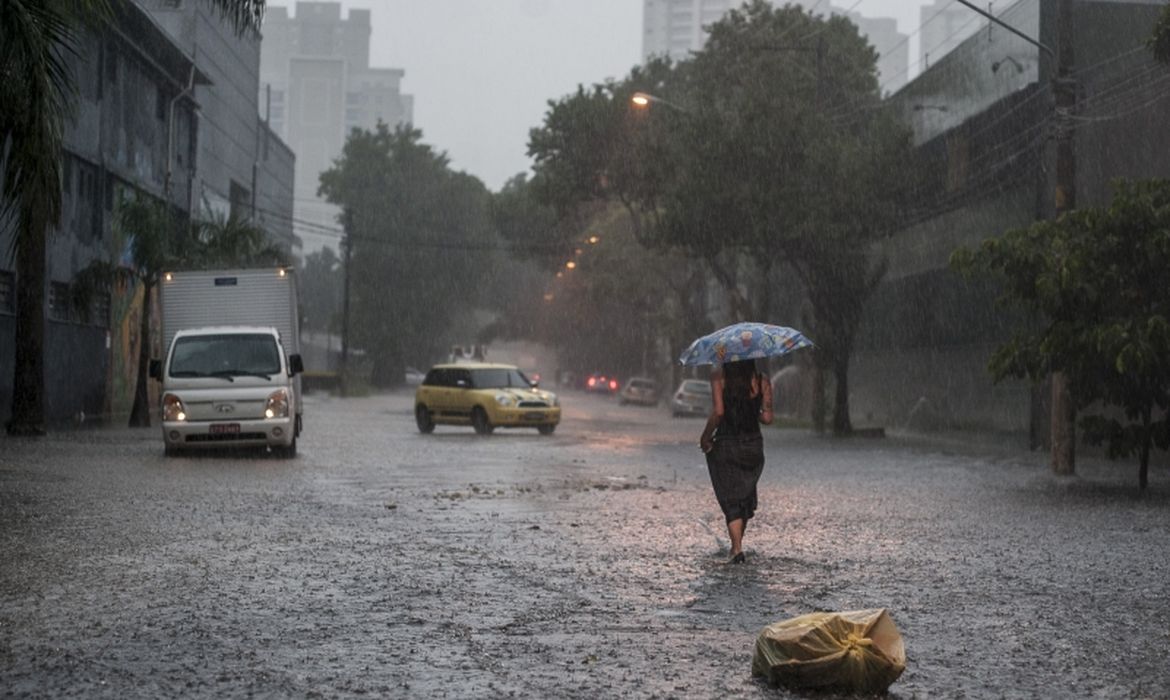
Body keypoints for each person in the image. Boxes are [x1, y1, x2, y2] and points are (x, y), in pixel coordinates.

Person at [699, 358, 774, 564]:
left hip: (727, 444)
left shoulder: (718, 377)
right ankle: (738, 544)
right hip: (753, 446)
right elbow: (767, 418)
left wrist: (705, 437)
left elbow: (719, 412)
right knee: (744, 494)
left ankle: (736, 548)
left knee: (730, 497)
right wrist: (752, 409)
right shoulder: (762, 380)